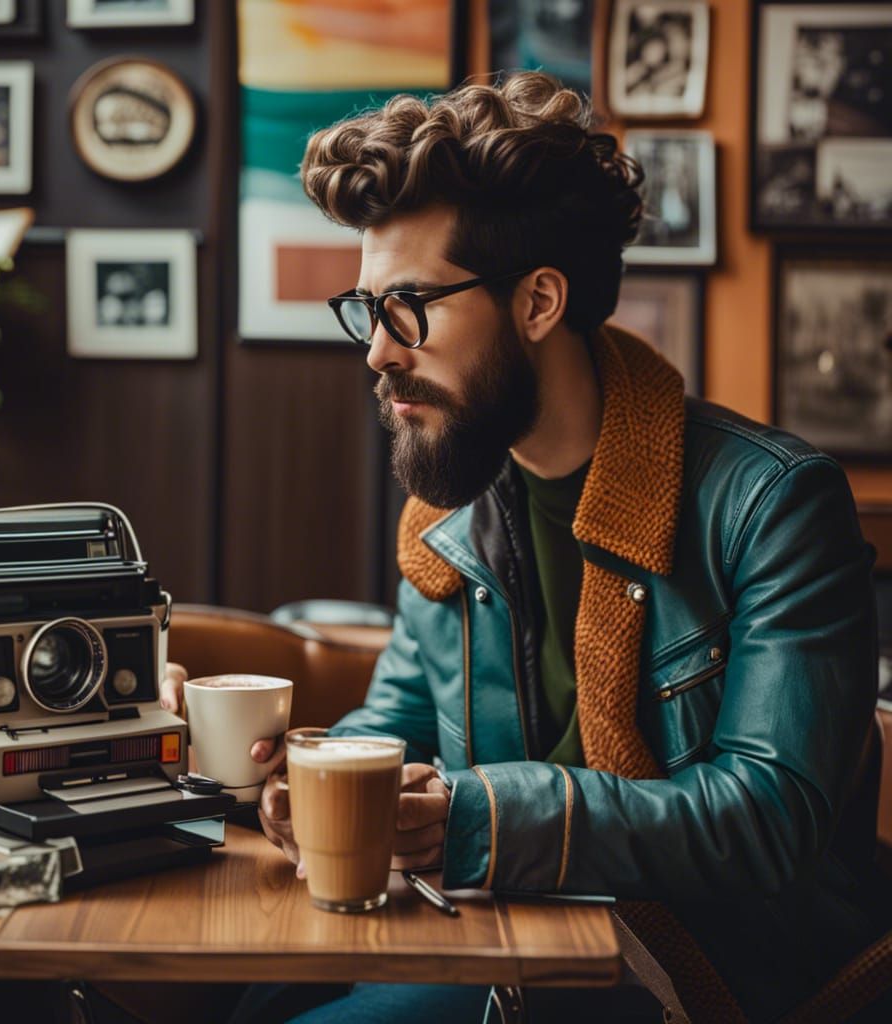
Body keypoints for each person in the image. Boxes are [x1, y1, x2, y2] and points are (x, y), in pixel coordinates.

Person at [161, 73, 887, 1022]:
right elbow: (398, 734)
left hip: (705, 971)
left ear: (539, 301)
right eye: (368, 308)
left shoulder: (774, 505)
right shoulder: (448, 510)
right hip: (497, 934)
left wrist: (481, 818)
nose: (377, 351)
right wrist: (273, 774)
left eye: (410, 304)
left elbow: (765, 819)